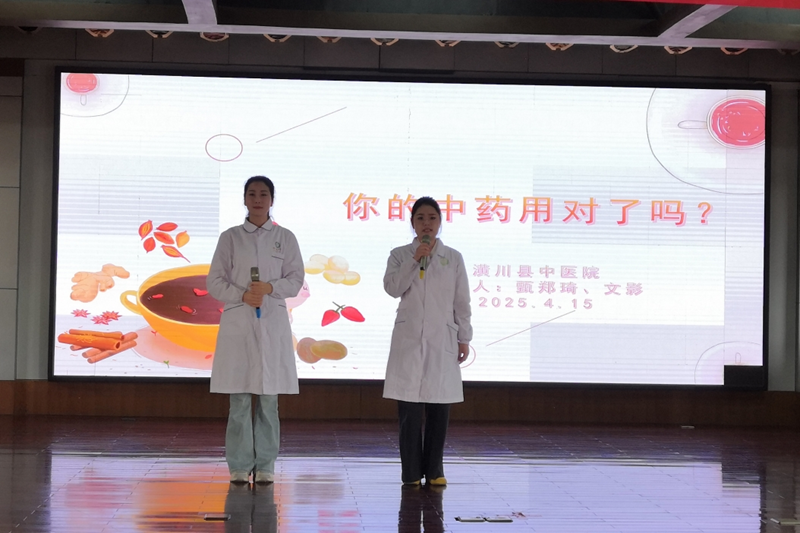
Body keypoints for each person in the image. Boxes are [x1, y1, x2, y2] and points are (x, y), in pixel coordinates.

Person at [207, 176, 304, 484]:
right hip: (239, 324)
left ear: (272, 200)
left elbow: (296, 279)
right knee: (239, 401)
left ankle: (265, 465)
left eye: (264, 194)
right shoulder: (231, 237)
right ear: (245, 199)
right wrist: (242, 295)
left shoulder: (285, 237)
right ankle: (238, 465)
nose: (258, 199)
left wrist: (271, 287)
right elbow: (214, 281)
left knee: (268, 400)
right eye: (252, 194)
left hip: (272, 323)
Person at [383, 196, 472, 486]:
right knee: (409, 408)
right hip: (409, 338)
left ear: (440, 222)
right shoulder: (400, 255)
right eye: (420, 218)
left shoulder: (453, 258)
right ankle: (410, 472)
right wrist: (414, 260)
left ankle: (434, 470)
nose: (426, 223)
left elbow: (461, 300)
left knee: (439, 405)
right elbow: (392, 288)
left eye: (432, 218)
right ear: (412, 223)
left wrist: (464, 336)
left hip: (442, 337)